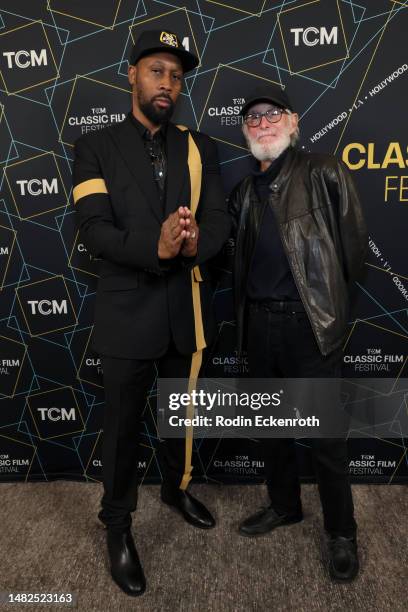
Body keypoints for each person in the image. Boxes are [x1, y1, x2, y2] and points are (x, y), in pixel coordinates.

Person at [72, 29, 230, 596]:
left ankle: (175, 487)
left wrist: (193, 245)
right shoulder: (95, 147)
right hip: (126, 316)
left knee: (180, 420)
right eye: (157, 70)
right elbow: (93, 231)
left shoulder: (200, 147)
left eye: (177, 75)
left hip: (184, 312)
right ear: (132, 76)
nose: (168, 83)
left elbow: (218, 222)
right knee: (120, 435)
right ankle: (117, 526)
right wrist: (155, 246)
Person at [228, 84, 368, 582]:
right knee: (270, 431)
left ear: (294, 122)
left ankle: (342, 533)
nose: (262, 124)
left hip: (309, 327)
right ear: (246, 132)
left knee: (326, 439)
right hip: (259, 327)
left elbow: (353, 255)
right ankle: (284, 506)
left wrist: (325, 310)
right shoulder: (244, 192)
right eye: (252, 119)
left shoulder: (325, 171)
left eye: (272, 115)